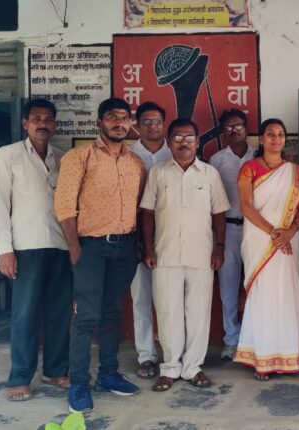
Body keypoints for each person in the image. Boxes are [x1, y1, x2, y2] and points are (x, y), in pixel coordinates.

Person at [55, 98, 145, 413]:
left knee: (111, 313)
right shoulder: (79, 157)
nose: (119, 123)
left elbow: (138, 208)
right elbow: (64, 206)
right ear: (99, 123)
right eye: (111, 117)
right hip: (90, 247)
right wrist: (75, 249)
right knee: (86, 316)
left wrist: (137, 245)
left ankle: (108, 374)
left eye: (124, 117)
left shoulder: (135, 162)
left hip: (125, 247)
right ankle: (79, 383)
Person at [141, 118, 230, 392]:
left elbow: (219, 213)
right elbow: (147, 212)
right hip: (165, 253)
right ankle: (169, 368)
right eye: (178, 138)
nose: (184, 143)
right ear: (169, 142)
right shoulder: (157, 172)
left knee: (198, 313)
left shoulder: (210, 174)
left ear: (197, 142)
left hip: (202, 254)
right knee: (168, 312)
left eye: (189, 138)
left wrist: (219, 246)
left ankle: (193, 367)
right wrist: (148, 247)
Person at [0, 99, 72, 401]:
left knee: (59, 313)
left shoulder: (62, 158)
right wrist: (4, 249)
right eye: (36, 118)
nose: (43, 124)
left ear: (55, 125)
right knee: (24, 315)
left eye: (48, 119)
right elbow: (0, 204)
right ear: (25, 123)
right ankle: (20, 377)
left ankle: (55, 369)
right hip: (25, 246)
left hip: (60, 245)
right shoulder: (8, 155)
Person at [233, 118, 299, 380]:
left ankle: (291, 354)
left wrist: (290, 231)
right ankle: (263, 358)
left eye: (280, 134)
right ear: (261, 139)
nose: (276, 139)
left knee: (288, 292)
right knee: (264, 294)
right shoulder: (249, 168)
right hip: (260, 238)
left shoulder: (297, 172)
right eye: (270, 134)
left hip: (290, 239)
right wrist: (274, 233)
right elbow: (246, 206)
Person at [129, 101, 172, 380]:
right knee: (141, 297)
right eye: (146, 121)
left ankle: (172, 354)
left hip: (170, 234)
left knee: (170, 298)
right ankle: (146, 355)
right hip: (135, 235)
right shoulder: (128, 155)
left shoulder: (177, 151)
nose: (152, 126)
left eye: (157, 121)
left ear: (163, 124)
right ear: (137, 125)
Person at [209, 109, 256, 361]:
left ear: (246, 127)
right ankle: (231, 340)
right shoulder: (216, 161)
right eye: (228, 127)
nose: (234, 130)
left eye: (238, 125)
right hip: (227, 229)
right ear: (222, 132)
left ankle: (253, 339)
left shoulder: (258, 157)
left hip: (256, 230)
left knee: (256, 284)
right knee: (228, 286)